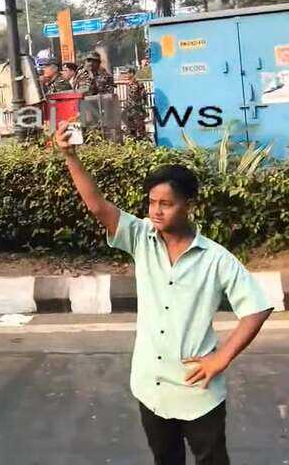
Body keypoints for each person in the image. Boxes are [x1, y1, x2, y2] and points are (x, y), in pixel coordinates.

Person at [55, 121, 272, 465]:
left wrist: (222, 358)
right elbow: (98, 207)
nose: (156, 210)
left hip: (197, 390)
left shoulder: (215, 259)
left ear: (189, 205)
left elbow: (257, 308)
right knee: (165, 460)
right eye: (152, 202)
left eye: (166, 203)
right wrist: (70, 156)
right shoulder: (141, 238)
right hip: (151, 386)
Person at [124, 67, 149, 139]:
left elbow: (144, 96)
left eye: (127, 73)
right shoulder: (128, 84)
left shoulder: (139, 84)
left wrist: (143, 107)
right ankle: (133, 142)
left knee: (140, 129)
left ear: (132, 73)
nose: (126, 75)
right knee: (131, 130)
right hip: (130, 110)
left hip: (137, 110)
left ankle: (143, 141)